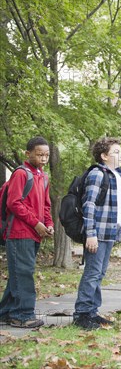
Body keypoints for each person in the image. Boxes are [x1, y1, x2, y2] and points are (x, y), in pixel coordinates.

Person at [73, 137, 121, 330]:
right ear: (104, 156)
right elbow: (89, 204)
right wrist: (91, 233)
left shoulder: (119, 175)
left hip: (111, 233)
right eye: (115, 152)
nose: (120, 155)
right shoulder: (97, 173)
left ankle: (92, 312)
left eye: (120, 152)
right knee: (92, 272)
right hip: (98, 232)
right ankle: (81, 314)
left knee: (100, 273)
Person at [0, 136, 53, 328]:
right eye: (39, 154)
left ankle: (5, 313)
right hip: (19, 233)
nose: (43, 159)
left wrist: (48, 223)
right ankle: (22, 315)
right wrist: (36, 223)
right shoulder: (21, 174)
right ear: (28, 154)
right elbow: (13, 203)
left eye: (46, 155)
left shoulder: (43, 177)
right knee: (23, 274)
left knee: (18, 274)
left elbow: (46, 206)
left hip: (35, 233)